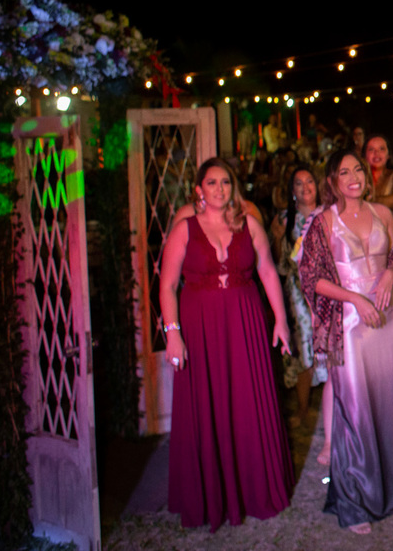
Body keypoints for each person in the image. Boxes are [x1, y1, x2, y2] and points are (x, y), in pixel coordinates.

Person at [159, 158, 293, 530]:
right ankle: (211, 497)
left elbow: (267, 270)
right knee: (209, 403)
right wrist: (173, 333)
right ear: (199, 189)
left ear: (233, 188)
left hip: (245, 324)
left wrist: (281, 320)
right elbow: (168, 284)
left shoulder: (249, 224)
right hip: (200, 330)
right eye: (212, 183)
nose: (220, 189)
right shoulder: (184, 229)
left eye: (226, 183)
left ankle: (255, 489)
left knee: (247, 401)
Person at [296, 149, 393, 534]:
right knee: (354, 411)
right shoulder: (324, 223)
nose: (353, 177)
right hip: (350, 323)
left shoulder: (382, 213)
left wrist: (390, 275)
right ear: (332, 180)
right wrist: (355, 298)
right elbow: (310, 277)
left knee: (389, 402)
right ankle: (354, 501)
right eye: (344, 171)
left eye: (358, 170)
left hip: (388, 316)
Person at [269, 165, 327, 431]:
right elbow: (273, 259)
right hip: (298, 289)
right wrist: (277, 239)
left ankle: (336, 406)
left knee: (331, 343)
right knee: (305, 343)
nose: (305, 188)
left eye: (310, 182)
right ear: (292, 191)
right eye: (299, 184)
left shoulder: (329, 214)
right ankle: (303, 410)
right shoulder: (283, 219)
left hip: (328, 289)